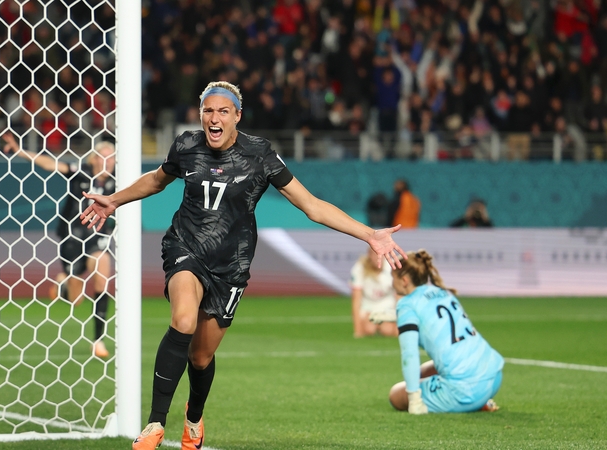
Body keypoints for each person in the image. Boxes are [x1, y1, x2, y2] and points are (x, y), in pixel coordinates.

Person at [79, 81, 406, 450]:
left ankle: (194, 416)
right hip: (185, 246)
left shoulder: (260, 155)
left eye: (222, 111)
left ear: (237, 116)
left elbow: (311, 205)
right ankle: (155, 423)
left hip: (231, 264)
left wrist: (369, 235)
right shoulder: (186, 146)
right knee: (182, 319)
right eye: (207, 111)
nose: (213, 118)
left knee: (201, 357)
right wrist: (114, 201)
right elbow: (157, 181)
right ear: (201, 114)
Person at [2, 133, 115, 359]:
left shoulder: (117, 182)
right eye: (103, 157)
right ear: (93, 159)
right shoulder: (79, 172)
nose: (107, 162)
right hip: (72, 236)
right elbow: (49, 164)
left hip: (95, 239)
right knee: (75, 298)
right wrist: (19, 150)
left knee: (103, 268)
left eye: (111, 158)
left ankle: (98, 340)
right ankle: (63, 281)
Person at [388, 250, 504, 414]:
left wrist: (414, 398)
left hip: (465, 391)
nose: (391, 283)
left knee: (396, 394)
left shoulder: (406, 305)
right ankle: (482, 400)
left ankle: (472, 403)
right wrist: (393, 317)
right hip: (494, 376)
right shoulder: (441, 292)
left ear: (404, 281)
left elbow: (410, 354)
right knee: (424, 370)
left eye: (392, 277)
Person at [350, 247, 397, 338]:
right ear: (369, 255)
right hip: (367, 306)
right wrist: (357, 331)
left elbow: (399, 296)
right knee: (368, 329)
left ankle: (383, 324)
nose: (377, 259)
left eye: (380, 255)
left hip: (387, 305)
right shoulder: (360, 268)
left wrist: (398, 326)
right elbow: (356, 300)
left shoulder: (392, 267)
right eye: (374, 255)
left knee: (387, 330)